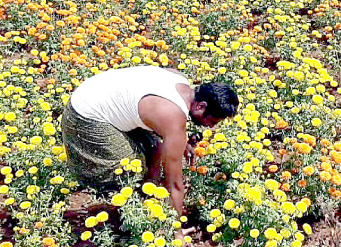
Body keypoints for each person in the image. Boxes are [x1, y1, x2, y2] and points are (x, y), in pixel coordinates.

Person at [61, 65, 239, 220]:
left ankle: (147, 190)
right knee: (129, 172)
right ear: (201, 106)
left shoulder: (179, 79)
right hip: (85, 115)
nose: (211, 127)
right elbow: (174, 185)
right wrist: (176, 230)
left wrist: (179, 139)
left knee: (155, 148)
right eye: (212, 121)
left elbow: (158, 113)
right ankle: (118, 210)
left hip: (92, 91)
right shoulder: (172, 116)